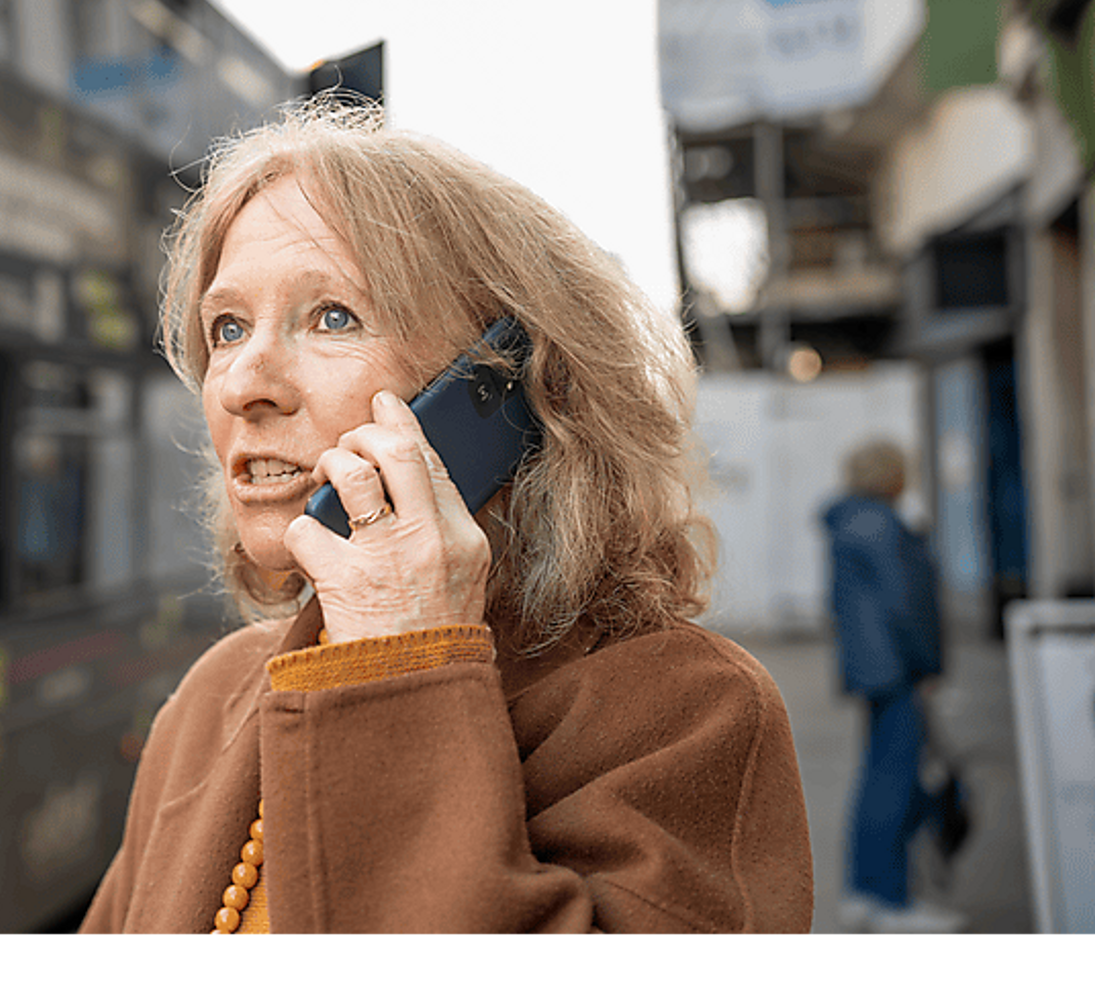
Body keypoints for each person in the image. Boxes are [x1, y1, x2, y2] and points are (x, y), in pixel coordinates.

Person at [81, 100, 813, 937]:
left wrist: (399, 667)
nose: (244, 382)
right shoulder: (216, 694)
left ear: (503, 397)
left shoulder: (686, 712)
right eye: (228, 326)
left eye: (332, 317)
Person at [823, 441, 967, 936]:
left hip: (869, 668)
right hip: (899, 669)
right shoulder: (885, 527)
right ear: (893, 476)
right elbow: (908, 606)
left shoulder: (847, 523)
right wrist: (928, 666)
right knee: (897, 783)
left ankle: (863, 893)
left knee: (876, 779)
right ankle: (891, 901)